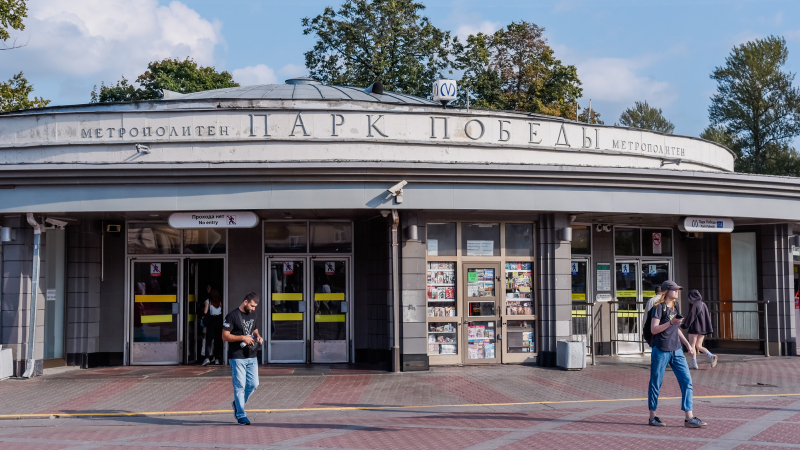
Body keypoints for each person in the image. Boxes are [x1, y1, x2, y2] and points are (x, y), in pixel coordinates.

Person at [648, 280, 707, 428]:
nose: (677, 292)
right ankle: (652, 416)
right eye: (674, 290)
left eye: (678, 289)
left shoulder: (676, 306)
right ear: (667, 291)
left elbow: (677, 329)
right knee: (656, 383)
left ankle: (689, 417)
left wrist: (687, 344)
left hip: (676, 350)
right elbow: (654, 330)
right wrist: (670, 323)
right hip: (661, 350)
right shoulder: (658, 308)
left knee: (687, 381)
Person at [222, 292, 263, 425]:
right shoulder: (232, 316)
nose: (253, 308)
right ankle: (241, 415)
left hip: (251, 355)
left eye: (255, 306)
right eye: (252, 305)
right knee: (239, 386)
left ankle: (237, 404)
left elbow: (254, 328)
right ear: (245, 302)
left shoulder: (253, 315)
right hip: (237, 356)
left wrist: (257, 336)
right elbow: (225, 336)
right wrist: (242, 338)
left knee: (253, 384)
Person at [682, 289, 717, 369]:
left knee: (692, 346)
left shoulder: (694, 305)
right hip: (703, 328)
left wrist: (684, 326)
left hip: (694, 328)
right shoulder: (703, 304)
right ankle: (711, 356)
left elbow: (691, 316)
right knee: (699, 346)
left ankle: (694, 363)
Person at [202, 287, 223, 366]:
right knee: (217, 340)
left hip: (211, 321)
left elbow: (205, 312)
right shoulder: (220, 301)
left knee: (209, 340)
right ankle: (217, 358)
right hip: (219, 321)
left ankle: (207, 358)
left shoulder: (208, 301)